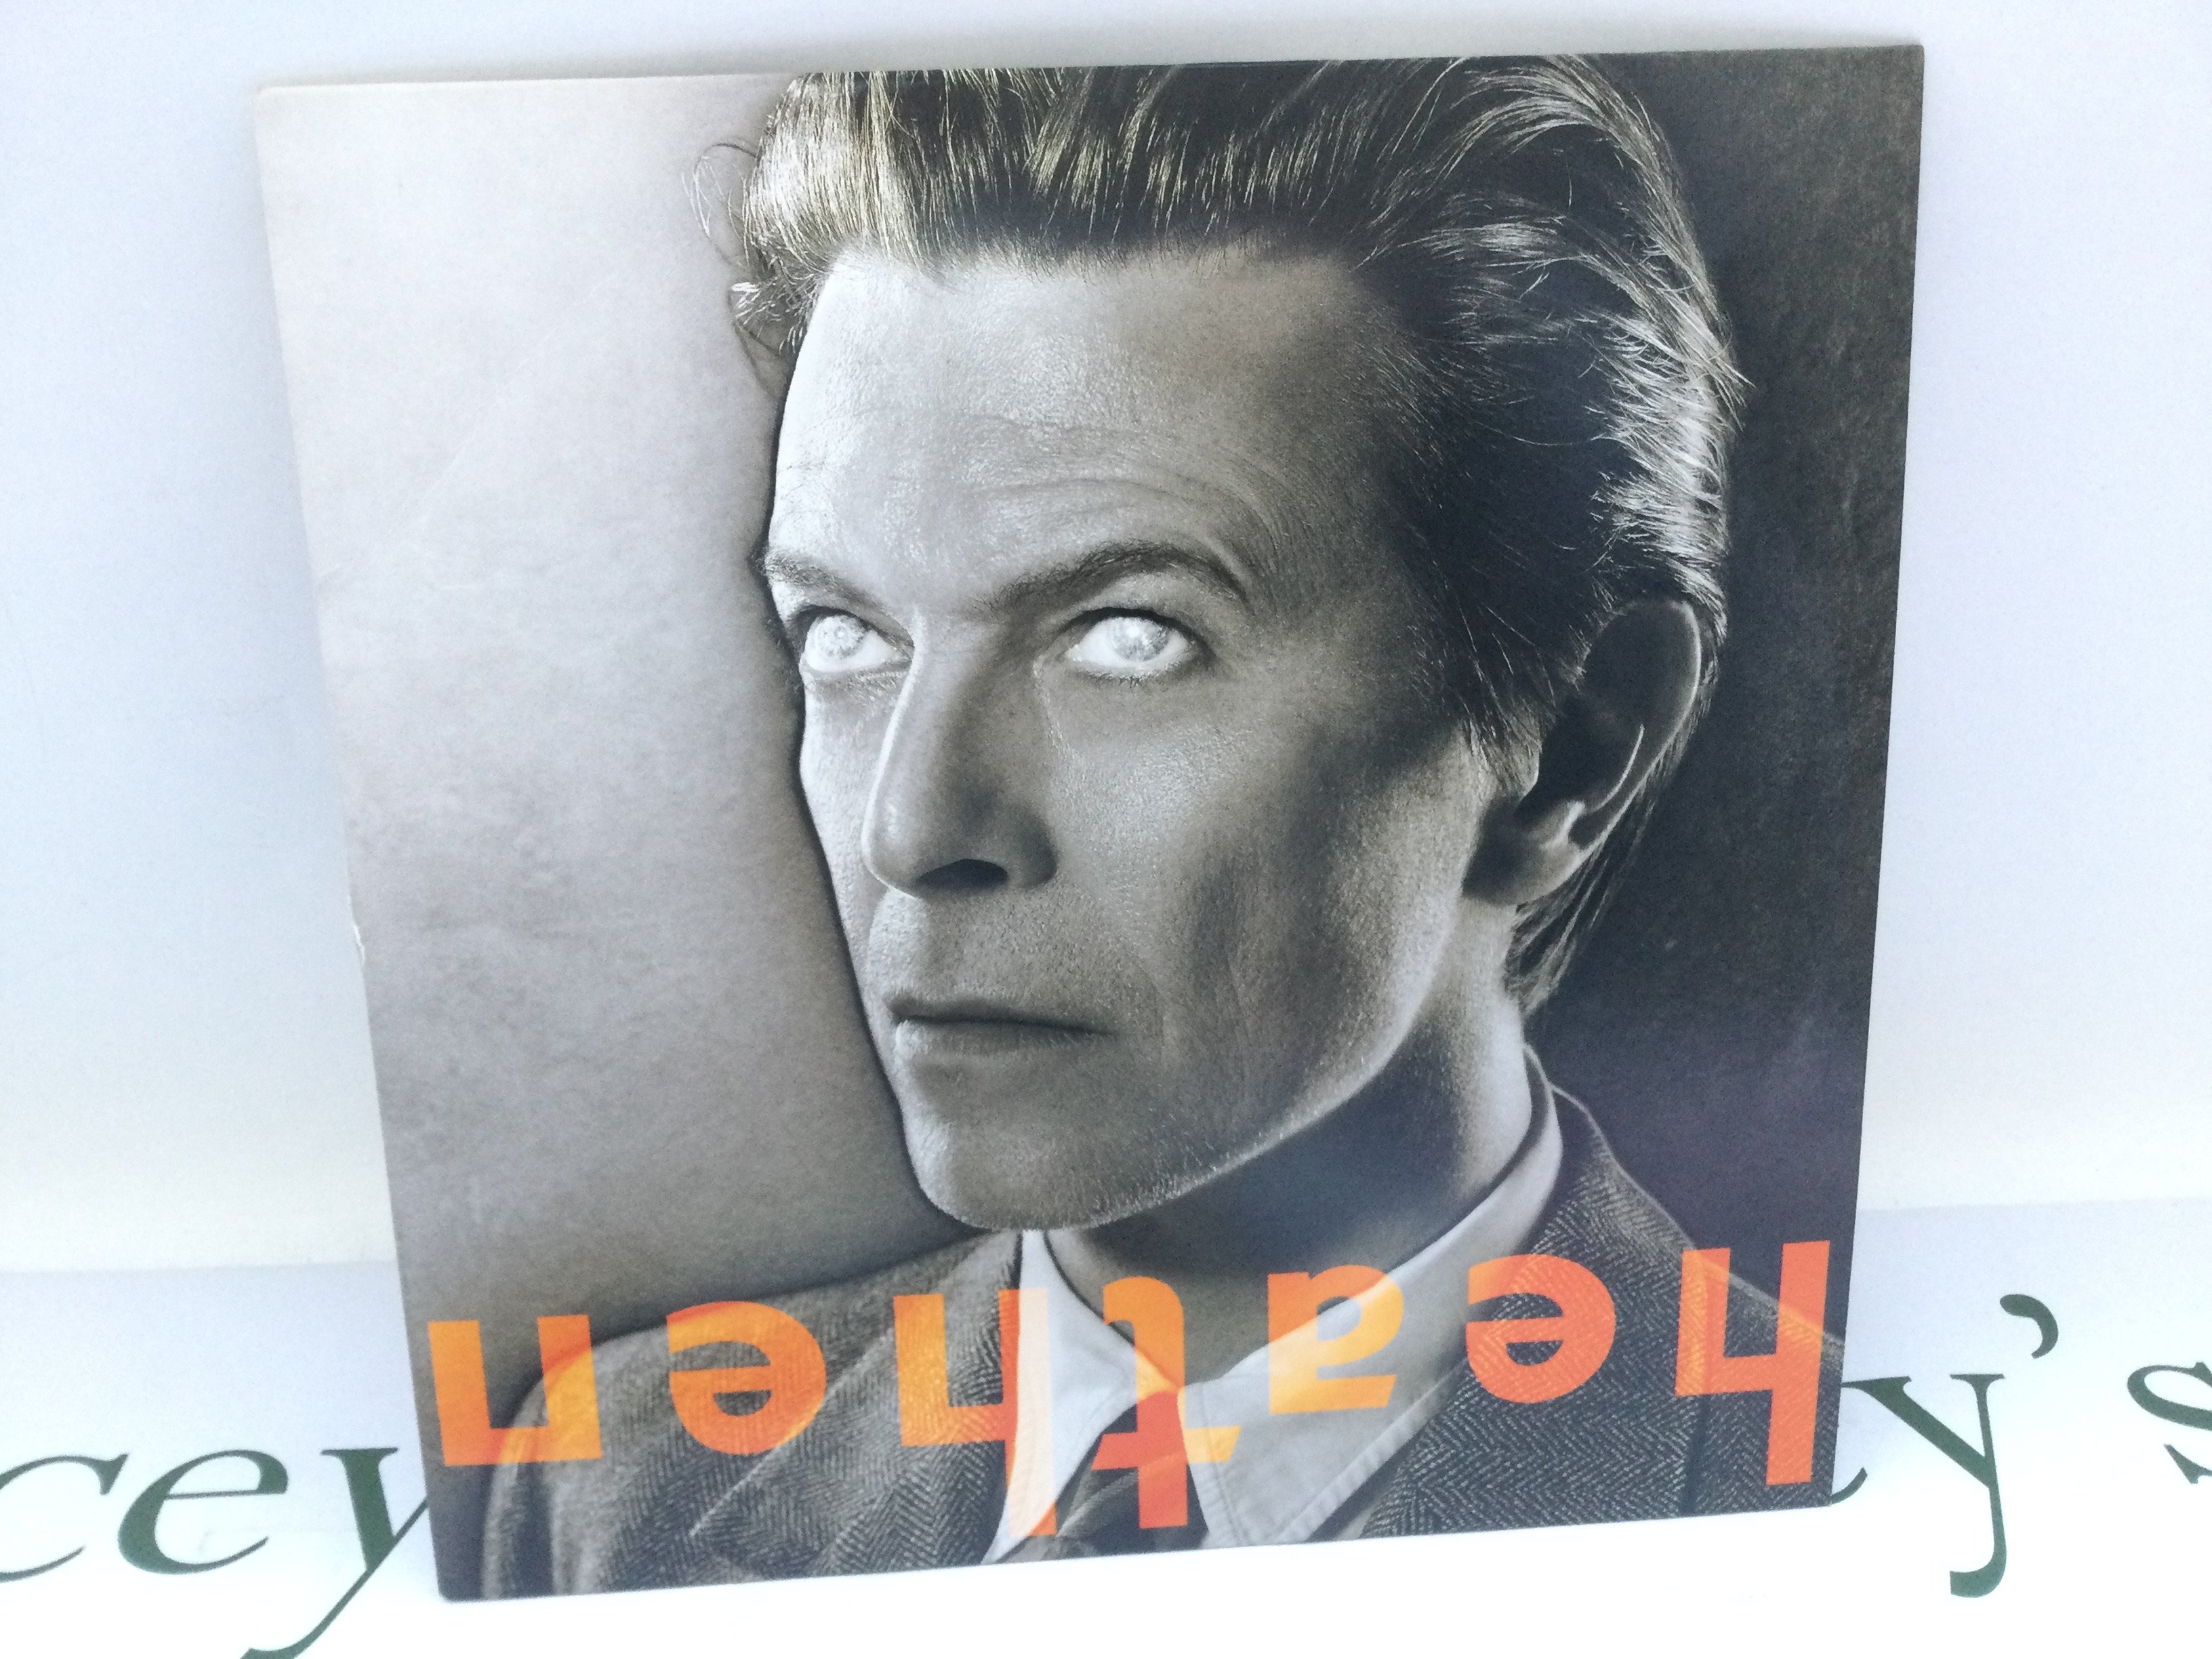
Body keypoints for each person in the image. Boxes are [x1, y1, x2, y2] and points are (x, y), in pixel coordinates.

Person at [483, 56, 1841, 1594]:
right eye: (849, 634)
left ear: (1574, 742)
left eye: (1131, 636)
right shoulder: (612, 1486)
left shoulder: (1849, 1506)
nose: (913, 829)